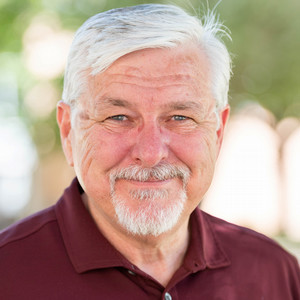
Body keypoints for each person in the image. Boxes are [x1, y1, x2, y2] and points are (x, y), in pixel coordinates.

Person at [0, 4, 299, 299]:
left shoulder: (275, 274)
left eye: (180, 118)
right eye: (118, 117)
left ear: (218, 131)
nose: (152, 152)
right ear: (68, 131)